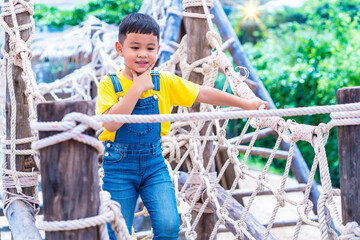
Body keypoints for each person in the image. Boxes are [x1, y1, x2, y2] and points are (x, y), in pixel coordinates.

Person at [96, 13, 268, 240]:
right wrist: (136, 88)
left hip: (153, 164)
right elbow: (110, 122)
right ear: (120, 48)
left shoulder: (163, 82)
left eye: (150, 48)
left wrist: (246, 103)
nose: (142, 54)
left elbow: (203, 92)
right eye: (134, 47)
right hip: (118, 166)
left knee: (168, 227)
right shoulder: (110, 84)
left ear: (158, 50)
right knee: (118, 231)